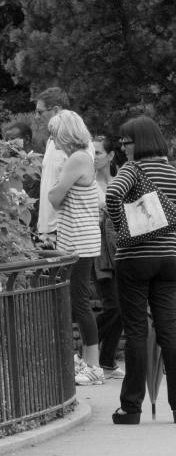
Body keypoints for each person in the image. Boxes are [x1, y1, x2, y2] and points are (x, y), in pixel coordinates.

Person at [104, 116, 176, 424]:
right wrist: (172, 248)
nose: (122, 148)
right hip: (168, 262)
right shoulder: (174, 174)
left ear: (138, 143)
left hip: (134, 260)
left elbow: (113, 193)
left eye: (125, 142)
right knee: (170, 330)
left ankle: (131, 408)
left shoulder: (132, 169)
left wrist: (123, 229)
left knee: (137, 333)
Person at [43, 110, 105, 385]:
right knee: (76, 301)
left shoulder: (77, 159)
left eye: (54, 133)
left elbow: (55, 198)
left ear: (65, 133)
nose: (52, 138)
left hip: (78, 241)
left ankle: (93, 365)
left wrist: (56, 187)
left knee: (79, 302)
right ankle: (86, 359)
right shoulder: (82, 158)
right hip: (79, 239)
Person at [91, 135, 125, 378]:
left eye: (99, 153)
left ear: (111, 155)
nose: (94, 157)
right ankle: (82, 350)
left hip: (122, 250)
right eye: (91, 152)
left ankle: (106, 361)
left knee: (121, 308)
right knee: (113, 307)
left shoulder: (121, 179)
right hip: (98, 250)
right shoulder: (87, 181)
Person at [31, 86, 73, 246]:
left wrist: (56, 229)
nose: (36, 117)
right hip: (48, 231)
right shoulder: (51, 140)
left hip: (64, 231)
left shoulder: (74, 142)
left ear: (55, 110)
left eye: (40, 112)